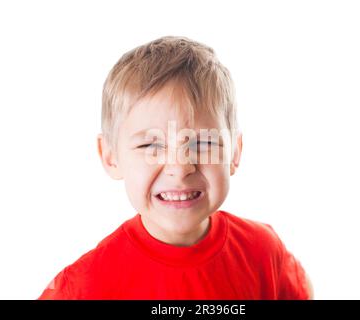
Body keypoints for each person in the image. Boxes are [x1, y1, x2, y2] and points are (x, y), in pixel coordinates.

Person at [39, 36, 313, 299]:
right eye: (150, 146)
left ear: (234, 152)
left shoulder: (263, 252)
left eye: (204, 142)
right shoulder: (87, 285)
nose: (180, 167)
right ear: (110, 157)